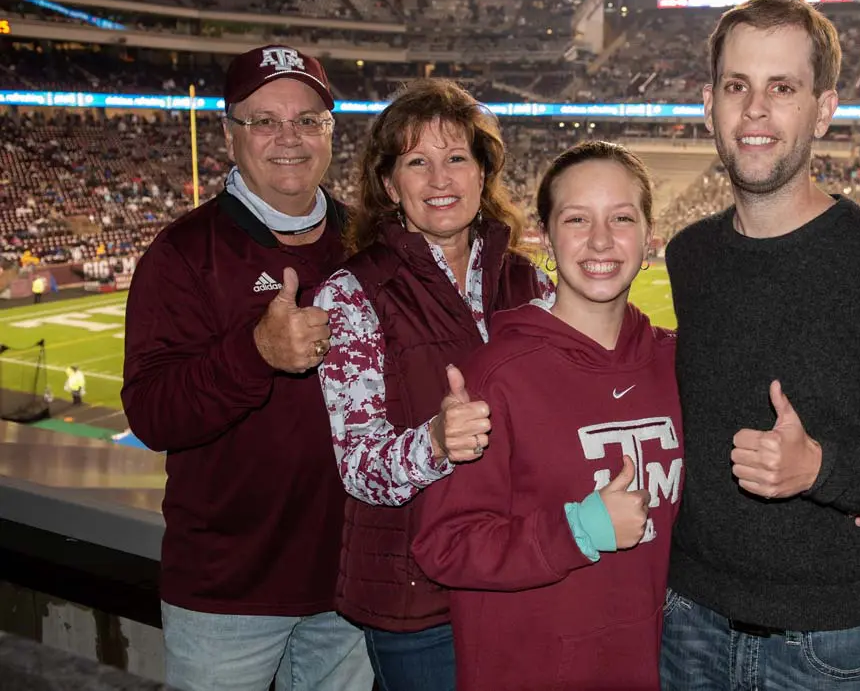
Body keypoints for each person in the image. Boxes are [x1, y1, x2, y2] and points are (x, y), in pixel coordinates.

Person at [660, 0, 860, 690]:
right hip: (686, 616)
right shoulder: (689, 256)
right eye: (736, 86)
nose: (754, 110)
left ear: (824, 107)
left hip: (827, 638)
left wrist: (824, 470)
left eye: (783, 88)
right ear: (709, 103)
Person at [122, 44, 371, 691]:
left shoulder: (370, 242)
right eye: (264, 120)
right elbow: (151, 412)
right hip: (226, 592)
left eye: (307, 119)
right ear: (231, 134)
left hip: (347, 581)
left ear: (330, 133)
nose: (289, 137)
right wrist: (253, 353)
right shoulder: (182, 254)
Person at [412, 141, 681, 691]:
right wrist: (578, 529)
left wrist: (851, 500)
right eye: (577, 218)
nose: (601, 240)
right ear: (547, 236)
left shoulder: (678, 363)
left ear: (649, 235)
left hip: (644, 669)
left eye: (622, 218)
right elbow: (443, 545)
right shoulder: (495, 374)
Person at [315, 78, 552, 691]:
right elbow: (360, 465)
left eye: (456, 158)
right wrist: (438, 443)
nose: (440, 179)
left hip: (522, 568)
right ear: (391, 185)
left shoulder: (531, 283)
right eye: (417, 162)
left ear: (483, 173)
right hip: (416, 593)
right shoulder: (350, 293)